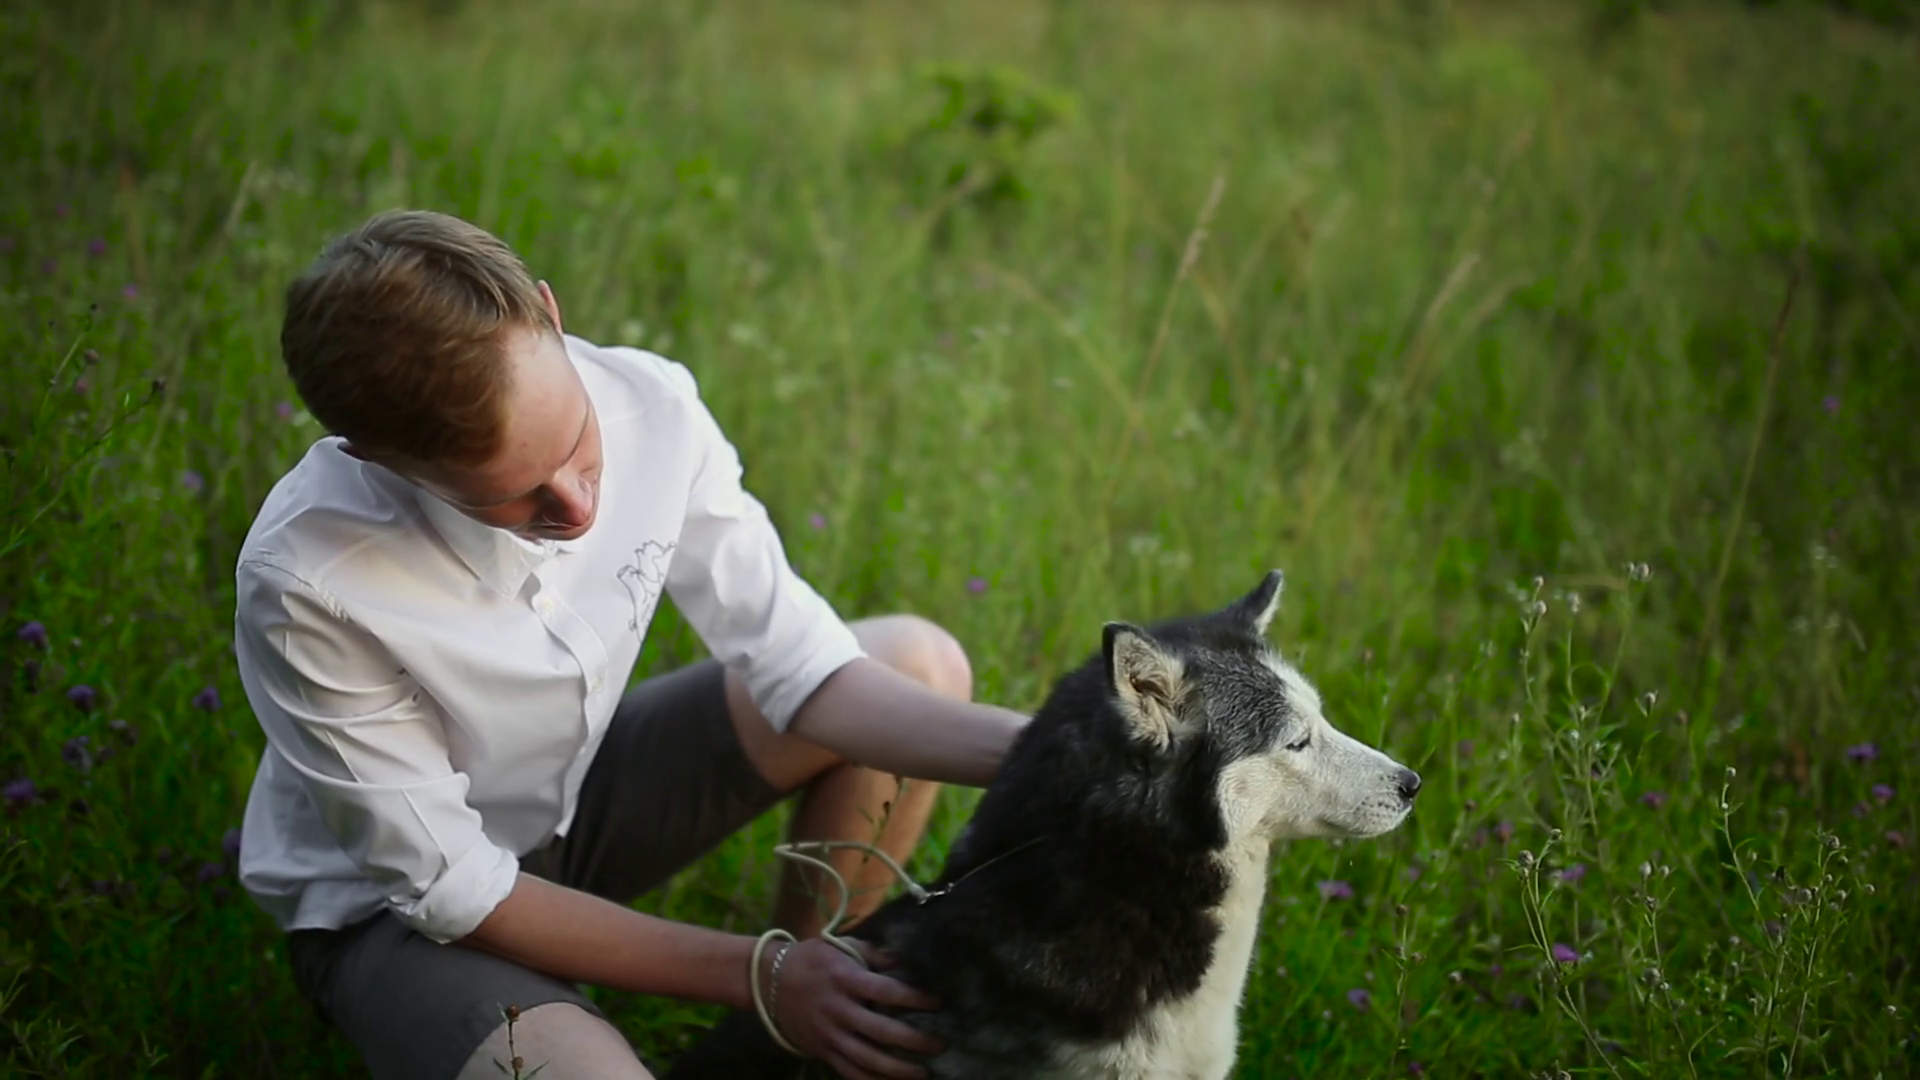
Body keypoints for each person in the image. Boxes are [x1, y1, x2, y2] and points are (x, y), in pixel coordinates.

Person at [231, 208, 1030, 1080]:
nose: (576, 507)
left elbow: (808, 674)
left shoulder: (651, 404)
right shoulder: (308, 580)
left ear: (548, 310)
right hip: (396, 917)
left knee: (917, 661)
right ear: (376, 457)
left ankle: (806, 1031)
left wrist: (1062, 751)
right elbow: (454, 890)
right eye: (512, 498)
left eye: (576, 443)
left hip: (576, 812)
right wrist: (759, 971)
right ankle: (787, 996)